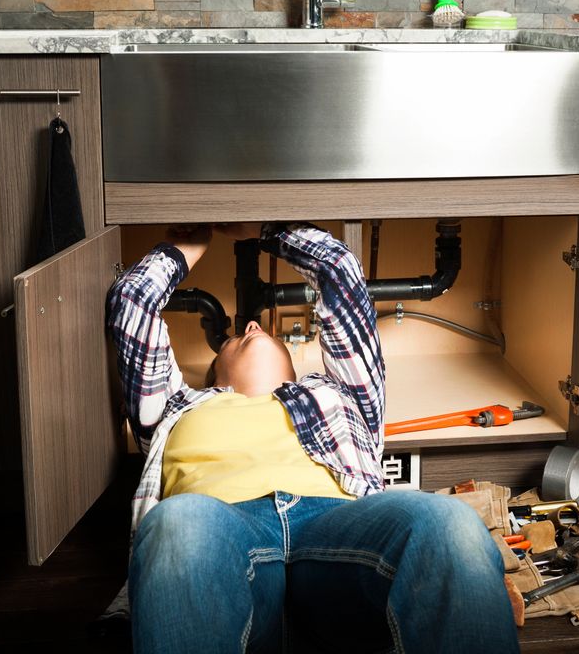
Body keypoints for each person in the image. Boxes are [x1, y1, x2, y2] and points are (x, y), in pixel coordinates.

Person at [106, 221, 519, 654]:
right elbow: (133, 303)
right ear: (213, 372)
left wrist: (269, 229)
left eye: (261, 331)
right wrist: (185, 245)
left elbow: (338, 269)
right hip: (221, 538)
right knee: (177, 523)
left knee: (448, 521)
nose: (251, 327)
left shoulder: (342, 395)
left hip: (340, 540)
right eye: (235, 336)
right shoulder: (174, 405)